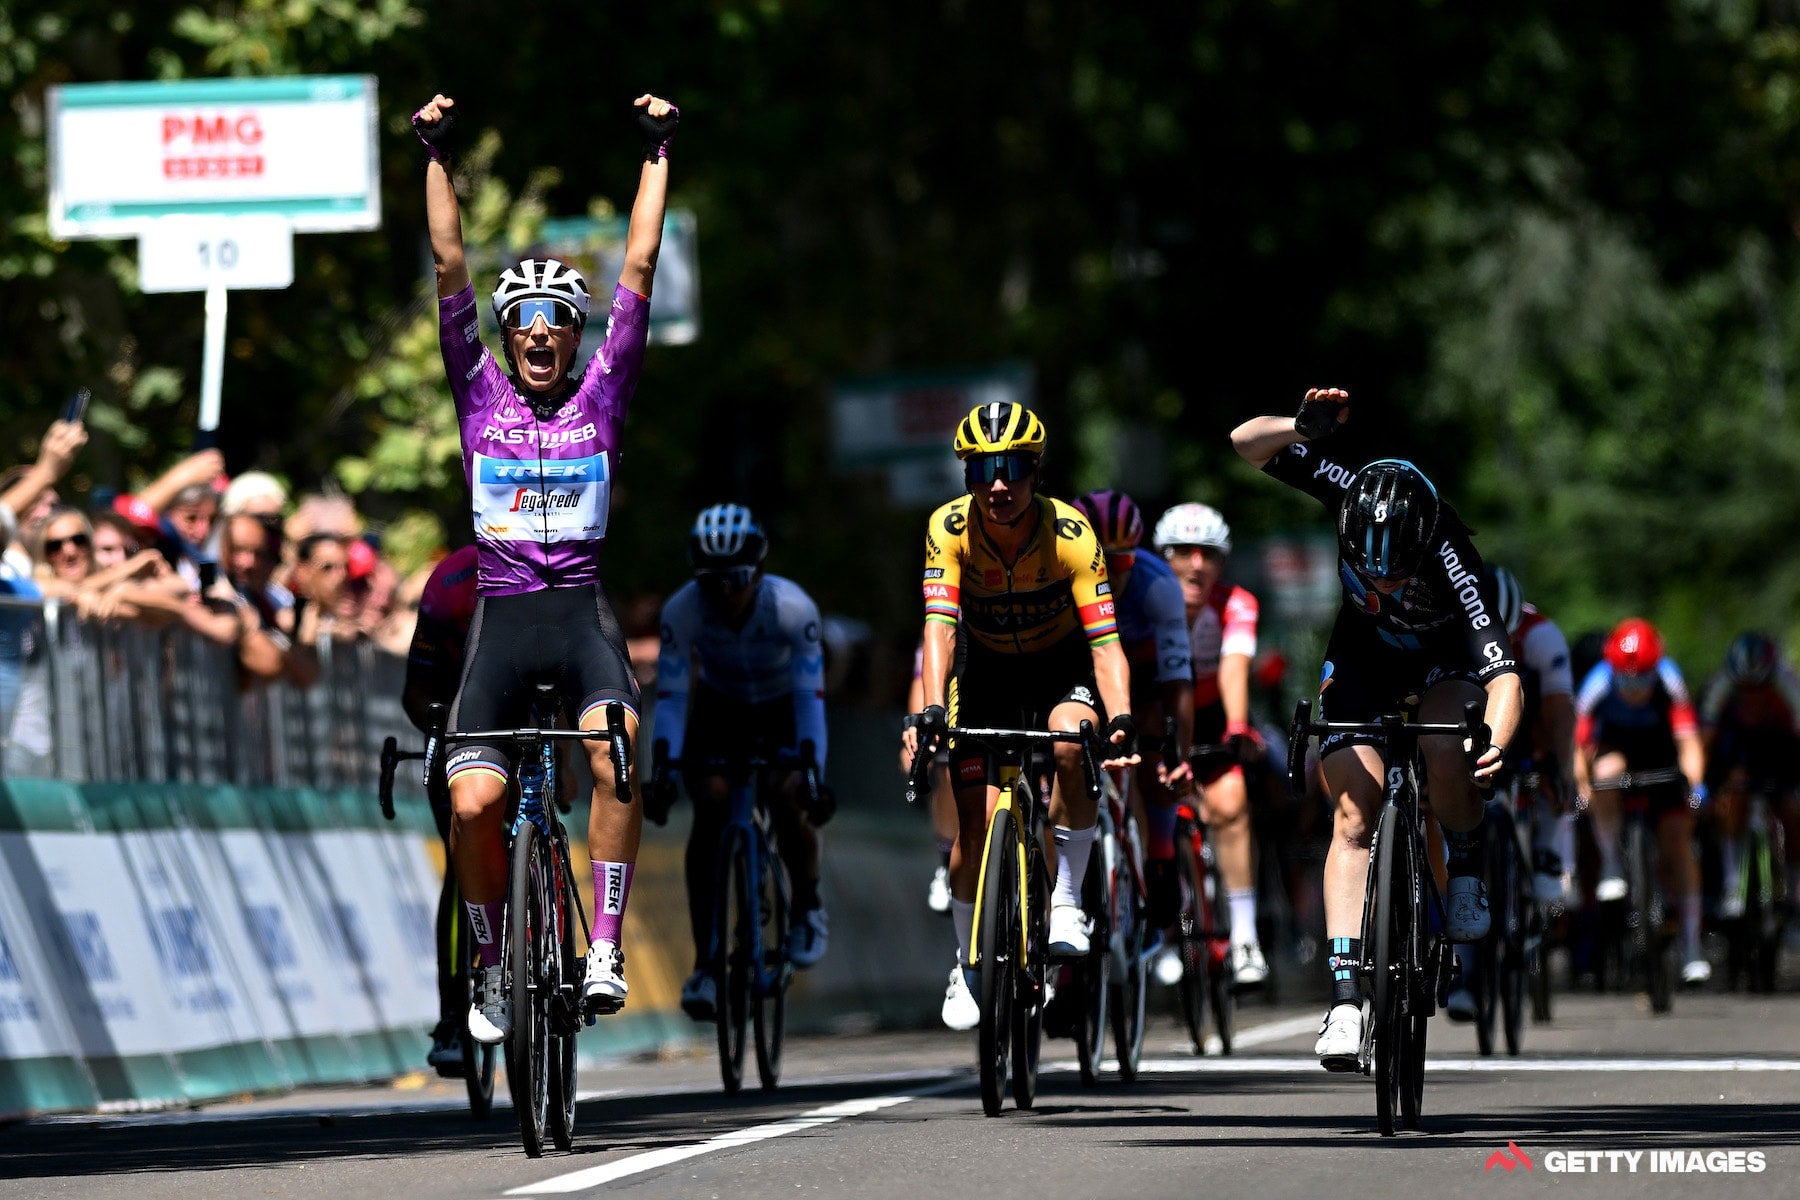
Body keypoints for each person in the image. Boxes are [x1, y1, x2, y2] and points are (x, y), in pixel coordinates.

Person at [414, 88, 677, 1044]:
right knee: (473, 800)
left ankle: (601, 944)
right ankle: (489, 967)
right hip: (502, 617)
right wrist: (435, 151)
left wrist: (657, 149)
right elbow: (449, 261)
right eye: (518, 317)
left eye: (553, 320)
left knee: (615, 751)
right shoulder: (476, 390)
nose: (533, 332)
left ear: (573, 337)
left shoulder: (602, 397)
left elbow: (640, 263)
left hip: (577, 617)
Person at [1231, 386, 1521, 1071]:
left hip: (1443, 665)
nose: (1384, 586)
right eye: (1370, 571)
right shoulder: (1350, 488)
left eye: (1399, 574)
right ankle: (1343, 1000)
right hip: (1361, 660)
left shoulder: (1452, 554)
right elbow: (1245, 443)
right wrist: (1296, 426)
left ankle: (1466, 858)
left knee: (1444, 742)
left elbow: (1505, 676)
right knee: (1352, 817)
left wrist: (1498, 747)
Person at [908, 402, 1138, 1031]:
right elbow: (940, 628)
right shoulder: (948, 528)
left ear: (1037, 472)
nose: (999, 484)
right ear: (967, 479)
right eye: (983, 470)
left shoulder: (1071, 535)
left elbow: (1105, 644)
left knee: (1071, 744)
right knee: (973, 835)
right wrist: (931, 706)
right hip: (985, 672)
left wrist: (1118, 718)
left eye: (1013, 468)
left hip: (1057, 668)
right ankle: (966, 961)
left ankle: (1065, 903)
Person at [645, 505, 833, 1020]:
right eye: (713, 581)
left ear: (759, 571)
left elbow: (809, 698)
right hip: (721, 708)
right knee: (709, 804)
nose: (726, 592)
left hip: (782, 709)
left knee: (786, 792)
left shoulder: (793, 608)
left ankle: (807, 905)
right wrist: (663, 768)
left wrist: (814, 773)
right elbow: (673, 697)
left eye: (737, 578)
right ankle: (706, 964)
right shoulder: (683, 611)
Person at [1444, 564, 1578, 1021]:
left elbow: (1561, 711)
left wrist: (1562, 767)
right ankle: (1465, 970)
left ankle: (1545, 855)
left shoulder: (1542, 635)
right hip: (1475, 718)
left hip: (1531, 721)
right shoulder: (1454, 628)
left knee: (1558, 776)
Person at [1153, 500, 1270, 988]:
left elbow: (1234, 667)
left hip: (1212, 711)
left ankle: (1244, 937)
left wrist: (1238, 726)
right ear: (1162, 556)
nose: (1196, 563)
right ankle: (1159, 932)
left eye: (1208, 553)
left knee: (1231, 803)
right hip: (1156, 711)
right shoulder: (1144, 598)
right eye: (1182, 551)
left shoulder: (1236, 602)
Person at [1070, 491, 1192, 947]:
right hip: (1082, 671)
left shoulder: (1158, 585)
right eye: (1097, 561)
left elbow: (1178, 680)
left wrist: (1177, 755)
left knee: (1157, 731)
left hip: (1142, 675)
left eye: (1118, 564)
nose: (1107, 574)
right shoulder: (1057, 573)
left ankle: (1159, 851)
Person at [1573, 616, 1711, 984]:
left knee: (1678, 840)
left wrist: (1695, 785)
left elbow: (1688, 743)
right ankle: (1612, 865)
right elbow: (1580, 746)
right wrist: (1583, 786)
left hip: (1661, 753)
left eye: (1643, 679)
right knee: (1603, 777)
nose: (1634, 687)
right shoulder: (1598, 683)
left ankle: (1692, 948)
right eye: (1626, 679)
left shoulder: (1670, 680)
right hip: (1617, 748)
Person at [400, 543, 481, 1072]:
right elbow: (417, 691)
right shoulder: (448, 586)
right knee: (463, 865)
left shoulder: (552, 565)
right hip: (457, 715)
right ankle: (454, 1013)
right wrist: (445, 736)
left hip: (531, 696)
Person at [901, 641, 958, 915]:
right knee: (946, 766)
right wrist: (920, 741)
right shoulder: (947, 624)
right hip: (955, 703)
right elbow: (922, 680)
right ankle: (947, 862)